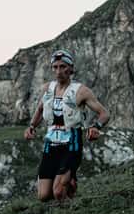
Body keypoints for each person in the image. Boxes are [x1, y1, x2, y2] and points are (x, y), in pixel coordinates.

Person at [23, 49, 110, 202]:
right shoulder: (47, 89)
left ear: (71, 69)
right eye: (55, 67)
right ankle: (70, 181)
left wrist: (96, 127)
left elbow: (104, 113)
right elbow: (39, 109)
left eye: (63, 67)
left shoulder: (81, 91)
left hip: (71, 143)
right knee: (44, 196)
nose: (58, 71)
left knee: (57, 192)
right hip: (51, 143)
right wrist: (31, 127)